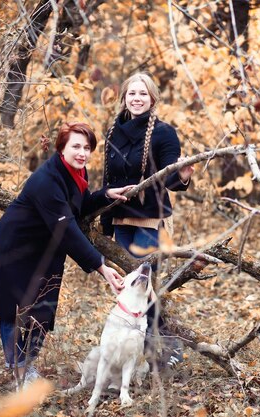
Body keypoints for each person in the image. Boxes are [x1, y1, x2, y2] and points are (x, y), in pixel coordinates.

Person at [0, 122, 131, 390]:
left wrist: (104, 195)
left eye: (87, 148)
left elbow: (77, 208)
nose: (82, 153)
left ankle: (27, 364)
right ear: (62, 149)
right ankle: (19, 370)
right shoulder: (47, 179)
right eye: (76, 147)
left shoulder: (77, 172)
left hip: (45, 248)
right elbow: (66, 227)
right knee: (13, 308)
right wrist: (101, 266)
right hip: (17, 246)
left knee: (42, 309)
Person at [101, 72, 195, 368]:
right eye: (132, 93)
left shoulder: (164, 133)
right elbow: (108, 177)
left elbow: (169, 176)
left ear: (152, 98)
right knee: (132, 288)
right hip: (120, 220)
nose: (137, 98)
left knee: (146, 285)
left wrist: (181, 177)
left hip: (150, 220)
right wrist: (103, 222)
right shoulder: (114, 131)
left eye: (143, 93)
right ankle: (139, 349)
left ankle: (168, 346)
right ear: (125, 97)